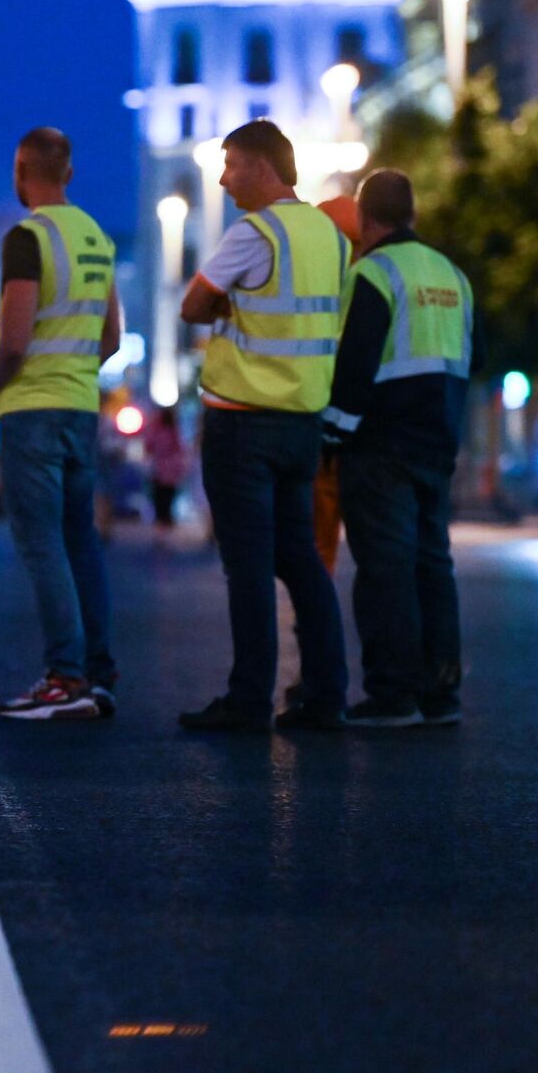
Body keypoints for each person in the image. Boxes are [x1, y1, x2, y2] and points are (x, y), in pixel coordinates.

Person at [176, 119, 349, 732]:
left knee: (247, 564)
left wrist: (229, 304)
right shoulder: (331, 237)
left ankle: (249, 699)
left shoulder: (256, 233)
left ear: (262, 166)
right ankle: (327, 692)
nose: (222, 178)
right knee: (300, 556)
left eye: (230, 164)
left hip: (243, 421)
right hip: (303, 420)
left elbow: (193, 304)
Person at [324, 169, 477, 729]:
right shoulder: (452, 275)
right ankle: (441, 693)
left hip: (380, 445)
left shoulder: (373, 272)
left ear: (365, 220)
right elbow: (473, 356)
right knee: (433, 565)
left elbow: (356, 364)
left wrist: (332, 434)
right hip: (438, 442)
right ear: (412, 215)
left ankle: (393, 695)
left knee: (385, 568)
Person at [0, 127, 122, 721]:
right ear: (69, 172)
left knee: (42, 545)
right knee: (80, 540)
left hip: (31, 408)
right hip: (80, 407)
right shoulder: (96, 236)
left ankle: (64, 678)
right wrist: (75, 373)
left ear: (21, 171)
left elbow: (15, 336)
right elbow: (111, 336)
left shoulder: (27, 237)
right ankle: (97, 673)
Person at [311, 193, 364, 570]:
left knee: (319, 542)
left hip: (323, 428)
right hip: (369, 432)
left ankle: (314, 625)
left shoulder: (316, 285)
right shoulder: (378, 280)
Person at [142, 405, 187, 531]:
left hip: (159, 471)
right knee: (168, 500)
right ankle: (166, 527)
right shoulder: (174, 431)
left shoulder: (156, 431)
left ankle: (160, 529)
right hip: (172, 472)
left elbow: (148, 447)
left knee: (159, 500)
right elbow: (180, 449)